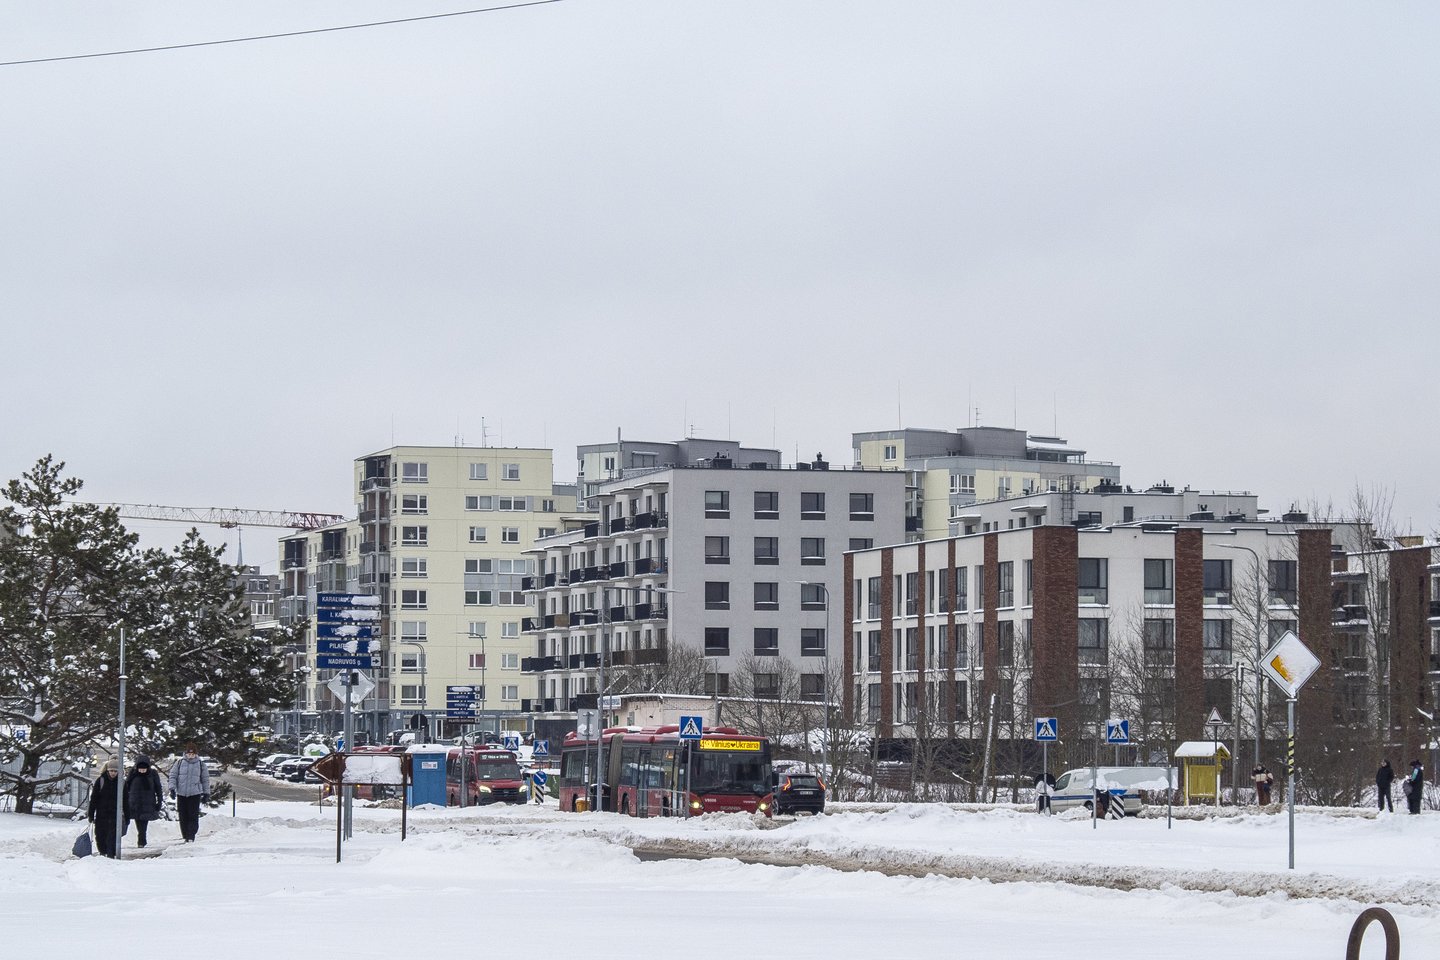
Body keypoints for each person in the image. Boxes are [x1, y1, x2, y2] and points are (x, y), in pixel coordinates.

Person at [168, 744, 211, 842]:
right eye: (189, 754)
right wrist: (172, 789)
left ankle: (191, 835)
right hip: (181, 794)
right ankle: (185, 835)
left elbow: (205, 780)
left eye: (193, 754)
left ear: (196, 754)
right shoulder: (179, 763)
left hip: (195, 794)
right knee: (183, 815)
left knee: (193, 815)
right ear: (186, 753)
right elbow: (173, 776)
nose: (191, 756)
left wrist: (206, 793)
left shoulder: (201, 765)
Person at [123, 755, 166, 848]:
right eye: (140, 769)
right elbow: (126, 787)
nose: (142, 771)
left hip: (148, 803)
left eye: (144, 769)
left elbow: (158, 788)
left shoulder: (153, 774)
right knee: (138, 821)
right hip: (135, 803)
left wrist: (159, 801)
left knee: (144, 822)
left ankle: (141, 840)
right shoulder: (133, 774)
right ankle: (141, 839)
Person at [86, 758, 121, 858]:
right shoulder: (101, 781)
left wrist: (127, 815)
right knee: (100, 834)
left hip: (115, 814)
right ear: (107, 770)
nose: (113, 773)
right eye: (111, 771)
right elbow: (94, 798)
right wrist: (91, 814)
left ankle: (110, 854)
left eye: (115, 771)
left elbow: (125, 800)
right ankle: (103, 852)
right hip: (102, 813)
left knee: (112, 836)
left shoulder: (121, 782)